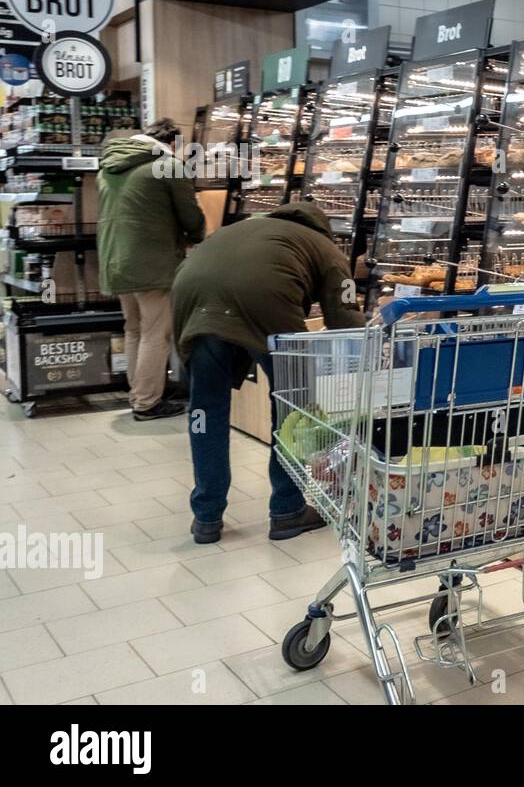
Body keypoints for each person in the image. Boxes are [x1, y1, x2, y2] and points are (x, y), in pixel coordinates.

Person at [172, 201, 366, 544]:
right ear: (324, 229)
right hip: (263, 302)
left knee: (205, 412)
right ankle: (287, 511)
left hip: (191, 296)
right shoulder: (324, 246)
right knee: (291, 409)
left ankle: (206, 516)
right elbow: (346, 320)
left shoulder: (241, 228)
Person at [97, 119, 206, 420]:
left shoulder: (110, 166)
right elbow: (191, 215)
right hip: (151, 263)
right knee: (155, 334)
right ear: (173, 144)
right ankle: (147, 402)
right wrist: (198, 238)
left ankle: (140, 392)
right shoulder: (168, 166)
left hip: (115, 261)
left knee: (133, 329)